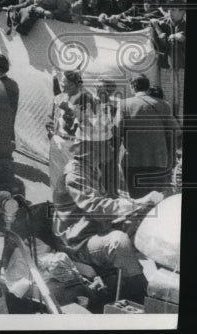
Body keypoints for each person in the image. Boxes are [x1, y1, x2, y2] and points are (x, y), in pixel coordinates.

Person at [52, 130, 163, 305]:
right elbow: (96, 207)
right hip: (77, 242)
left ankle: (158, 288)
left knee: (140, 227)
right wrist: (139, 202)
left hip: (92, 231)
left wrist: (138, 209)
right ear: (94, 147)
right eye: (108, 143)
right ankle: (139, 295)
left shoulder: (91, 169)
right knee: (117, 242)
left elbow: (109, 202)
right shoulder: (75, 175)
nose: (112, 147)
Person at [114, 75, 177, 198]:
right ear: (147, 87)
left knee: (137, 200)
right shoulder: (164, 105)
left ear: (132, 86)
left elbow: (117, 131)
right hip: (158, 161)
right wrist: (171, 159)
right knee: (156, 199)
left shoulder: (124, 105)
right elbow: (173, 133)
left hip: (133, 161)